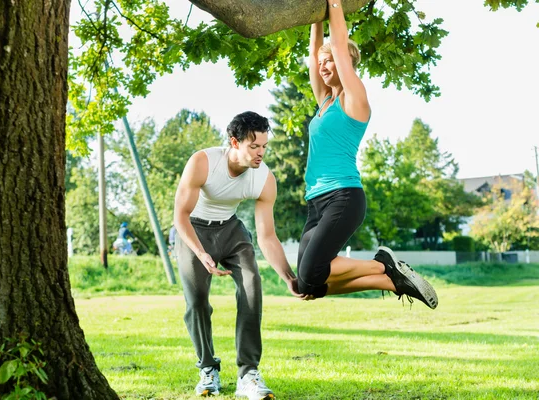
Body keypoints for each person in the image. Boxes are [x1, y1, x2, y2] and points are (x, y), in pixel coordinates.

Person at [297, 0, 438, 308]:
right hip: (316, 202)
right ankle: (389, 278)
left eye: (331, 60)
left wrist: (333, 4)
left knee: (312, 272)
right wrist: (313, 15)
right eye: (323, 62)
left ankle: (381, 265)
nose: (323, 65)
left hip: (343, 197)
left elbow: (337, 41)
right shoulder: (324, 102)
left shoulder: (354, 98)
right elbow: (314, 53)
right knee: (305, 285)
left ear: (346, 64)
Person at [174, 111, 302, 399]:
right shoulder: (203, 162)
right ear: (234, 142)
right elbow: (180, 216)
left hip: (231, 230)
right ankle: (208, 369)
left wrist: (288, 277)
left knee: (252, 289)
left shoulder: (265, 178)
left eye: (265, 146)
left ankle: (248, 373)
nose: (261, 153)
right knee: (196, 301)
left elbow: (267, 236)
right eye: (254, 146)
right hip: (194, 230)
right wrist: (200, 253)